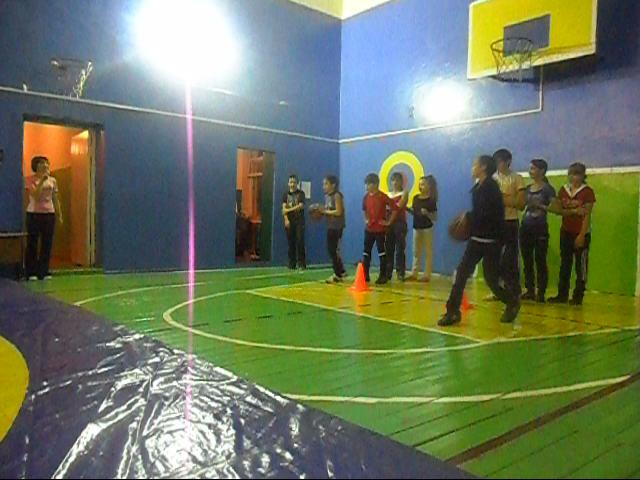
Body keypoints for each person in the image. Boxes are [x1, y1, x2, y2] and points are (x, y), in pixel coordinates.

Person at [439, 155, 520, 327]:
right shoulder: (478, 187)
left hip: (491, 241)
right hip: (477, 239)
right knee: (461, 274)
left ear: (483, 167)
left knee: (491, 279)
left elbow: (488, 214)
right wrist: (469, 220)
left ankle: (512, 301)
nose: (472, 167)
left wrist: (468, 217)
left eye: (475, 164)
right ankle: (452, 312)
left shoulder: (491, 187)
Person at [547, 162, 596, 305]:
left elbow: (587, 215)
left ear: (583, 176)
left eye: (577, 174)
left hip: (581, 232)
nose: (573, 177)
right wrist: (573, 211)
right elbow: (558, 210)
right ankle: (562, 294)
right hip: (566, 231)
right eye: (571, 174)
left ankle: (578, 296)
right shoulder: (564, 190)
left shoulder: (587, 192)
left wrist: (582, 235)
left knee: (581, 266)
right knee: (565, 264)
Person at [520, 159, 556, 303]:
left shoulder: (548, 189)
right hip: (525, 227)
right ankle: (529, 290)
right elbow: (521, 205)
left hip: (540, 228)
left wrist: (540, 206)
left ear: (542, 171)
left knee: (540, 260)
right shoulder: (528, 188)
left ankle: (541, 292)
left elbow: (555, 208)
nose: (531, 171)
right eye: (530, 168)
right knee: (527, 260)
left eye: (534, 168)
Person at [493, 148, 526, 300]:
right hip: (495, 222)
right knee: (494, 257)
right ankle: (498, 289)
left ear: (508, 162)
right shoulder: (492, 180)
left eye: (500, 161)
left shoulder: (517, 178)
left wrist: (501, 199)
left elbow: (521, 204)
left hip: (511, 222)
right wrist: (509, 199)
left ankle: (514, 289)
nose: (498, 164)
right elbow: (490, 202)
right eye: (496, 162)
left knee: (511, 257)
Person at [25, 156, 63, 280]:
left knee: (47, 243)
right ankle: (31, 272)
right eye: (42, 163)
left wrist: (59, 214)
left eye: (47, 163)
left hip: (49, 214)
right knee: (33, 243)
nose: (45, 165)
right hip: (34, 214)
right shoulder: (30, 179)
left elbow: (55, 198)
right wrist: (42, 180)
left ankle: (44, 271)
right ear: (36, 166)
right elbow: (35, 195)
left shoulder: (53, 180)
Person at [362, 173, 398, 285]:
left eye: (369, 184)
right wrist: (366, 219)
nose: (366, 186)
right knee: (366, 252)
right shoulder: (366, 197)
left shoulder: (382, 197)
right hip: (369, 229)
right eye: (366, 184)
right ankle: (365, 275)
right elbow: (364, 210)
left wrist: (389, 222)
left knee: (381, 252)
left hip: (380, 230)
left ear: (375, 184)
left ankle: (383, 275)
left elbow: (395, 209)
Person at [407, 175, 438, 282]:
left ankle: (427, 275)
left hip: (427, 228)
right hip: (416, 227)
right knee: (416, 251)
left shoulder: (431, 200)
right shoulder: (416, 198)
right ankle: (414, 273)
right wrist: (407, 209)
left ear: (428, 186)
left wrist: (427, 213)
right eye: (420, 184)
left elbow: (435, 217)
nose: (421, 186)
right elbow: (414, 212)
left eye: (423, 184)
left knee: (428, 252)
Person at [319, 175, 347, 283]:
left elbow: (338, 212)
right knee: (332, 250)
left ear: (333, 185)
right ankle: (341, 271)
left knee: (332, 250)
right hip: (330, 225)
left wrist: (324, 212)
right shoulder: (327, 196)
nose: (324, 186)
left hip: (337, 227)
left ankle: (337, 274)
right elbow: (328, 210)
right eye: (323, 184)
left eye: (326, 184)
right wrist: (319, 211)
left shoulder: (337, 195)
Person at [385, 172, 409, 281]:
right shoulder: (387, 194)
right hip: (389, 223)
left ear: (401, 182)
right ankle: (388, 272)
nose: (395, 183)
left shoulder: (404, 193)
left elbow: (398, 206)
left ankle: (400, 272)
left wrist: (389, 207)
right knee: (389, 248)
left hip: (399, 223)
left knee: (400, 248)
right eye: (393, 180)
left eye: (397, 180)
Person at [282, 174, 306, 271]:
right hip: (290, 221)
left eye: (294, 182)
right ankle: (292, 263)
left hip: (299, 221)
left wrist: (288, 210)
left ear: (297, 183)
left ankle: (301, 264)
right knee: (291, 243)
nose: (292, 184)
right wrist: (286, 219)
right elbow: (283, 209)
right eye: (291, 182)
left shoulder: (301, 194)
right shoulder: (285, 194)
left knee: (300, 241)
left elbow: (300, 206)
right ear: (288, 183)